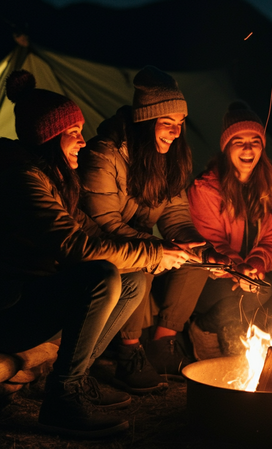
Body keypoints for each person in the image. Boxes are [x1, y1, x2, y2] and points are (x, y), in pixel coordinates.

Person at [0, 70, 184, 438]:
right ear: (49, 136)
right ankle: (62, 397)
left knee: (132, 279)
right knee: (100, 276)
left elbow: (92, 231)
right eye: (74, 133)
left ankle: (76, 378)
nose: (83, 141)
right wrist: (152, 253)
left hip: (37, 293)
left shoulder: (54, 178)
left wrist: (157, 251)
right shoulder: (23, 179)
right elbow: (76, 248)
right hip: (12, 304)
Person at [79, 65, 228, 394]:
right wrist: (157, 250)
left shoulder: (169, 159)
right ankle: (128, 351)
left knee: (197, 261)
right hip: (103, 250)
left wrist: (203, 250)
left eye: (180, 124)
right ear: (146, 120)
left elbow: (176, 218)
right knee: (144, 261)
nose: (176, 133)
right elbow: (105, 225)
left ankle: (163, 344)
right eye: (167, 123)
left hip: (138, 242)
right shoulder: (106, 154)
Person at [187, 101, 272, 358]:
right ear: (226, 146)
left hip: (253, 272)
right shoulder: (206, 188)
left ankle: (247, 334)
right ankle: (203, 328)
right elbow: (210, 241)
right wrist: (238, 268)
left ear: (262, 145)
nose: (248, 148)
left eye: (255, 141)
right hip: (214, 276)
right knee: (258, 291)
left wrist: (258, 262)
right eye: (239, 141)